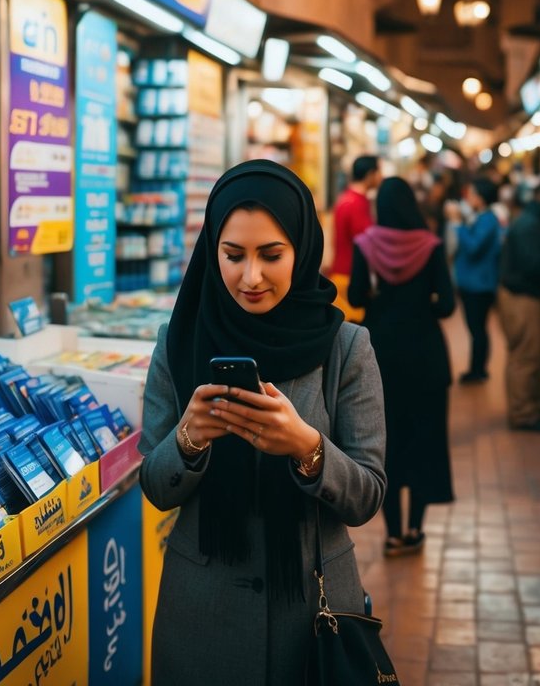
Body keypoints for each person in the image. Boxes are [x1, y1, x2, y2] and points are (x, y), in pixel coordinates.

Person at [138, 160, 386, 683]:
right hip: (201, 615)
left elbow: (367, 494)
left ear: (301, 249)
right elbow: (156, 487)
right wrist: (188, 439)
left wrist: (307, 447)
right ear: (212, 252)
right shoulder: (180, 339)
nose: (250, 277)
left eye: (271, 255)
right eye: (232, 255)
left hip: (313, 612)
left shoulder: (346, 349)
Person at [348, 177, 455, 557]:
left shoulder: (366, 245)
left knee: (385, 444)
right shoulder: (431, 246)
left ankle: (392, 533)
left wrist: (380, 296)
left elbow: (356, 297)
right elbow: (447, 305)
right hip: (425, 356)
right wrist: (423, 300)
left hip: (381, 356)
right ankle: (415, 530)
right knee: (424, 442)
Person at [498, 177, 540, 432]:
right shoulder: (531, 224)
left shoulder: (532, 220)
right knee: (525, 355)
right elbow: (533, 264)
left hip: (527, 294)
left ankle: (534, 407)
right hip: (522, 296)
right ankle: (523, 413)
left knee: (532, 354)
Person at [451, 177, 502, 384]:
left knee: (477, 329)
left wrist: (457, 225)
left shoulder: (488, 219)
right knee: (476, 328)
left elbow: (473, 247)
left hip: (478, 284)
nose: (468, 197)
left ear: (480, 198)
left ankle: (478, 370)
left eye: (471, 194)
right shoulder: (481, 217)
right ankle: (477, 368)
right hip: (474, 282)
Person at [329, 155, 380, 322]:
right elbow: (366, 242)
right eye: (379, 171)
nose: (381, 176)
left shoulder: (347, 199)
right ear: (370, 174)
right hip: (349, 277)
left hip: (342, 273)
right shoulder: (356, 204)